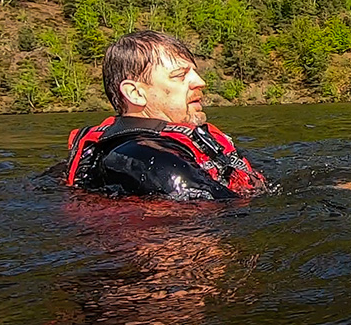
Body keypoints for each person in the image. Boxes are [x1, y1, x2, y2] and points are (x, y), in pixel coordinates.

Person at [65, 30, 264, 200]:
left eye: (194, 73)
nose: (200, 82)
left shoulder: (162, 149)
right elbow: (224, 212)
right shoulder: (147, 158)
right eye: (180, 75)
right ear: (135, 93)